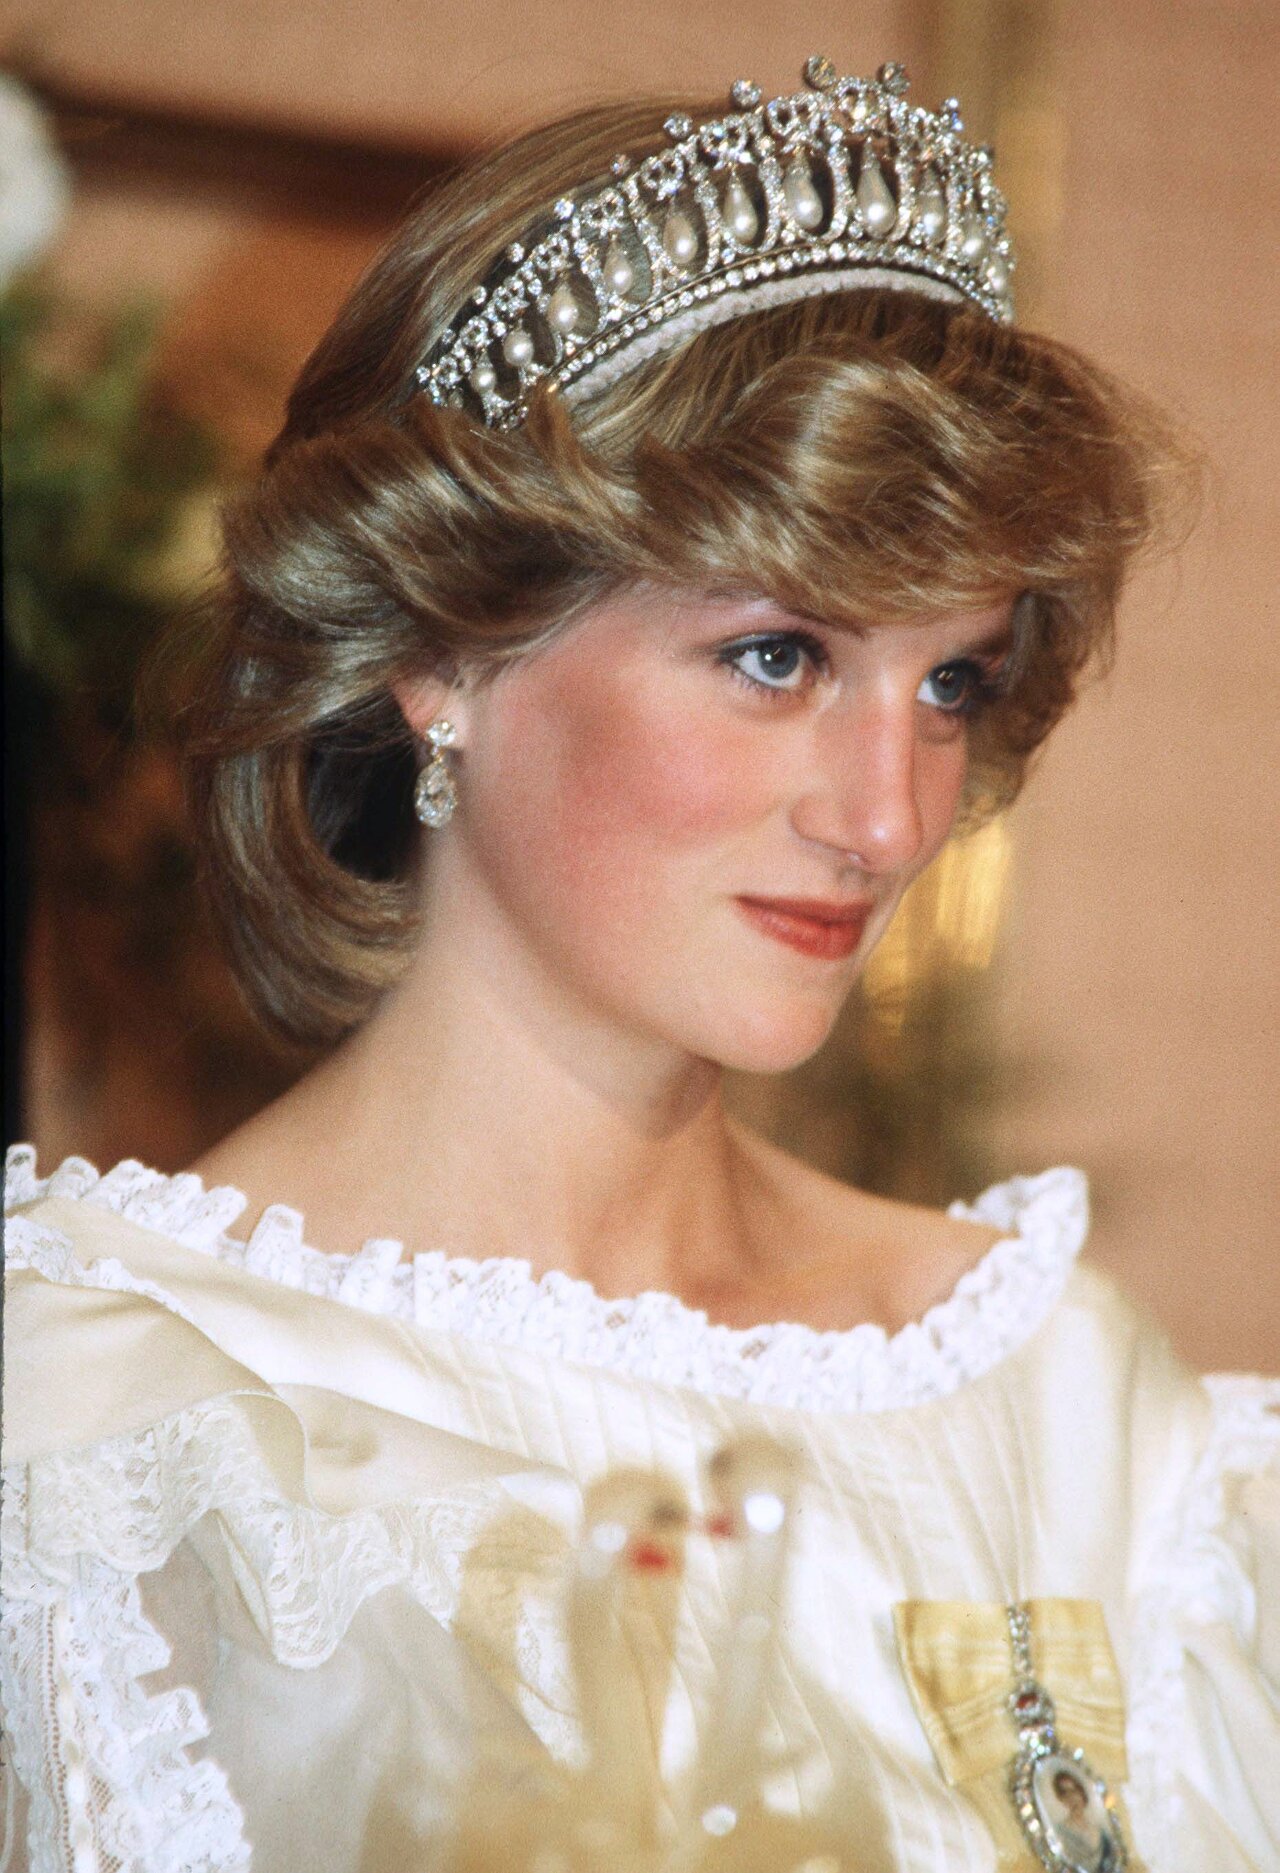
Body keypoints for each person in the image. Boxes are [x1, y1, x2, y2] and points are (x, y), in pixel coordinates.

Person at [4, 55, 1277, 1873]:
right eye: (778, 657)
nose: (889, 815)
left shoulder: (1074, 1413)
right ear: (441, 646)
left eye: (952, 682)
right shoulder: (110, 1431)